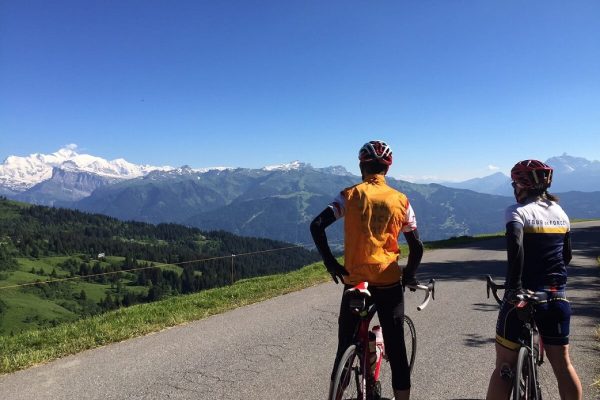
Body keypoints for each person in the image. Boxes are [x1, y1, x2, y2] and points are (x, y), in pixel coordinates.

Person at [310, 140, 423, 400]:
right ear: (387, 168)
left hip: (355, 281)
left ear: (362, 165)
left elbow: (317, 225)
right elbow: (416, 247)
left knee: (344, 348)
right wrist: (410, 275)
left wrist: (331, 264)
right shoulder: (401, 200)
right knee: (396, 349)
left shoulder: (349, 195)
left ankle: (337, 391)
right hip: (388, 282)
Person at [486, 160, 582, 400]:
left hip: (524, 296)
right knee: (563, 365)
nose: (513, 189)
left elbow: (516, 250)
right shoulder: (561, 213)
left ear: (522, 185)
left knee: (504, 367)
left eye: (514, 184)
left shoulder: (517, 211)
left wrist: (515, 288)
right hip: (556, 296)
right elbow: (566, 256)